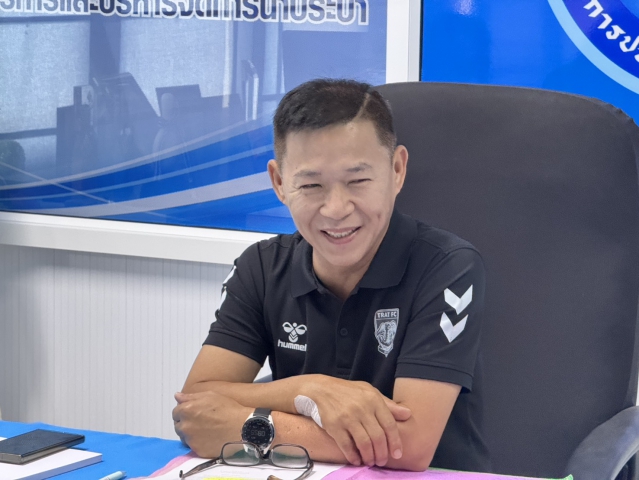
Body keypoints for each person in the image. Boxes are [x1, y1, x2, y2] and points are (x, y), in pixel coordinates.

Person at [172, 79, 490, 473]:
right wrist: (309, 391)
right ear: (279, 183)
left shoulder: (448, 267)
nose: (336, 209)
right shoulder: (262, 267)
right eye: (311, 185)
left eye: (358, 181)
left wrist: (253, 426)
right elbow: (194, 409)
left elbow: (409, 446)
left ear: (397, 170)